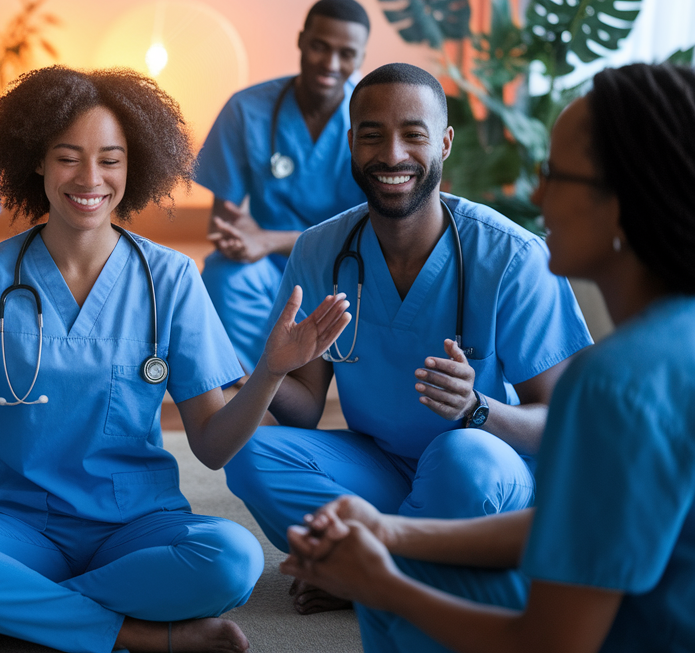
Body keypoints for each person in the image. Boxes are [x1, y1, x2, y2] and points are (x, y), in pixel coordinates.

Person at [0, 66, 358, 653]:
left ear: (135, 166)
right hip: (19, 523)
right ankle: (137, 633)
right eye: (67, 157)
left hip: (138, 523)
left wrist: (271, 371)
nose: (90, 178)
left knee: (234, 559)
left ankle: (17, 611)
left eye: (110, 159)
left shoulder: (171, 277)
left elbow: (211, 446)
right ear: (36, 162)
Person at [279, 62, 695, 653]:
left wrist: (382, 585)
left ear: (625, 199)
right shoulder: (676, 340)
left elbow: (553, 641)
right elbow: (577, 530)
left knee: (399, 605)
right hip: (399, 475)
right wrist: (392, 532)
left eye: (556, 175)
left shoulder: (614, 383)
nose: (537, 194)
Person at [223, 63, 595, 614]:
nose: (391, 154)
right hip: (385, 467)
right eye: (371, 134)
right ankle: (410, 564)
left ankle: (370, 571)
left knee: (464, 455)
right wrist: (260, 368)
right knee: (247, 451)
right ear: (351, 144)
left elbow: (566, 426)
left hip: (489, 474)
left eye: (413, 134)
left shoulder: (512, 258)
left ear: (443, 142)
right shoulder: (318, 251)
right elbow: (303, 411)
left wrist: (477, 409)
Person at [195, 0, 370, 372]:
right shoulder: (246, 110)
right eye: (320, 47)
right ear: (301, 40)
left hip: (349, 267)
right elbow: (223, 223)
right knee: (225, 277)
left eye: (346, 53)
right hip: (271, 268)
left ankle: (300, 389)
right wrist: (245, 240)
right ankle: (249, 391)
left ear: (362, 57)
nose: (331, 63)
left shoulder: (373, 119)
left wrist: (268, 238)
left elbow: (371, 232)